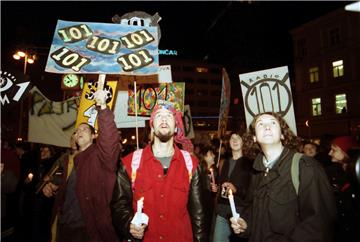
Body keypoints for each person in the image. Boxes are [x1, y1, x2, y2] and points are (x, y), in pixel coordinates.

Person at [230, 112, 336, 242]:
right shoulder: (257, 171)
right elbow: (253, 209)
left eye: (273, 123)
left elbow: (318, 224)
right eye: (261, 124)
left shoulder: (305, 167)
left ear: (282, 134)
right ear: (254, 138)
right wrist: (245, 224)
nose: (267, 126)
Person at [111, 101, 208, 242]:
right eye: (158, 116)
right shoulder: (130, 164)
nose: (163, 119)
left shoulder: (191, 164)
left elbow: (198, 215)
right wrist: (129, 225)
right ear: (152, 126)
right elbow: (119, 205)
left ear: (176, 127)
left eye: (169, 116)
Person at [42, 89, 120, 242]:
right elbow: (68, 188)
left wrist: (103, 108)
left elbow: (109, 141)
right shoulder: (70, 161)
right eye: (77, 131)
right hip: (64, 226)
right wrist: (51, 186)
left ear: (94, 135)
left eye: (84, 129)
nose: (79, 132)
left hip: (87, 229)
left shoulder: (101, 156)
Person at [212, 132, 252, 242]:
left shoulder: (250, 163)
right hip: (222, 212)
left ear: (243, 141)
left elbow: (252, 190)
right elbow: (222, 184)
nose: (234, 140)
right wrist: (216, 188)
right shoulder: (224, 163)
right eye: (232, 138)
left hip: (239, 214)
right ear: (229, 143)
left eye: (238, 138)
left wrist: (236, 190)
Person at [326, 136, 360, 242]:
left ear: (346, 151)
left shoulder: (356, 173)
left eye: (334, 150)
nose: (329, 153)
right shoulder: (334, 171)